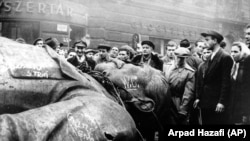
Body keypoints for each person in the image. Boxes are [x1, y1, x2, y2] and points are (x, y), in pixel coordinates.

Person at [193, 30, 233, 125]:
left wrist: (222, 102)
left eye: (207, 40)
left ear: (215, 40)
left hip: (216, 104)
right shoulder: (210, 57)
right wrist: (199, 98)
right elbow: (204, 80)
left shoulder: (225, 57)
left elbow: (226, 82)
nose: (204, 43)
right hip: (206, 102)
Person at [167, 47, 195, 125]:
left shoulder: (189, 72)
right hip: (166, 100)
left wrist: (183, 110)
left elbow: (188, 93)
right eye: (178, 57)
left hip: (178, 101)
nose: (179, 60)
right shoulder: (167, 67)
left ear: (186, 58)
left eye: (182, 58)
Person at [230, 42, 250, 124]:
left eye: (235, 52)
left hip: (243, 106)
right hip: (233, 104)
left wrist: (245, 112)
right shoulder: (234, 65)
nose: (232, 54)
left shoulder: (246, 66)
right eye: (231, 51)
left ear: (242, 52)